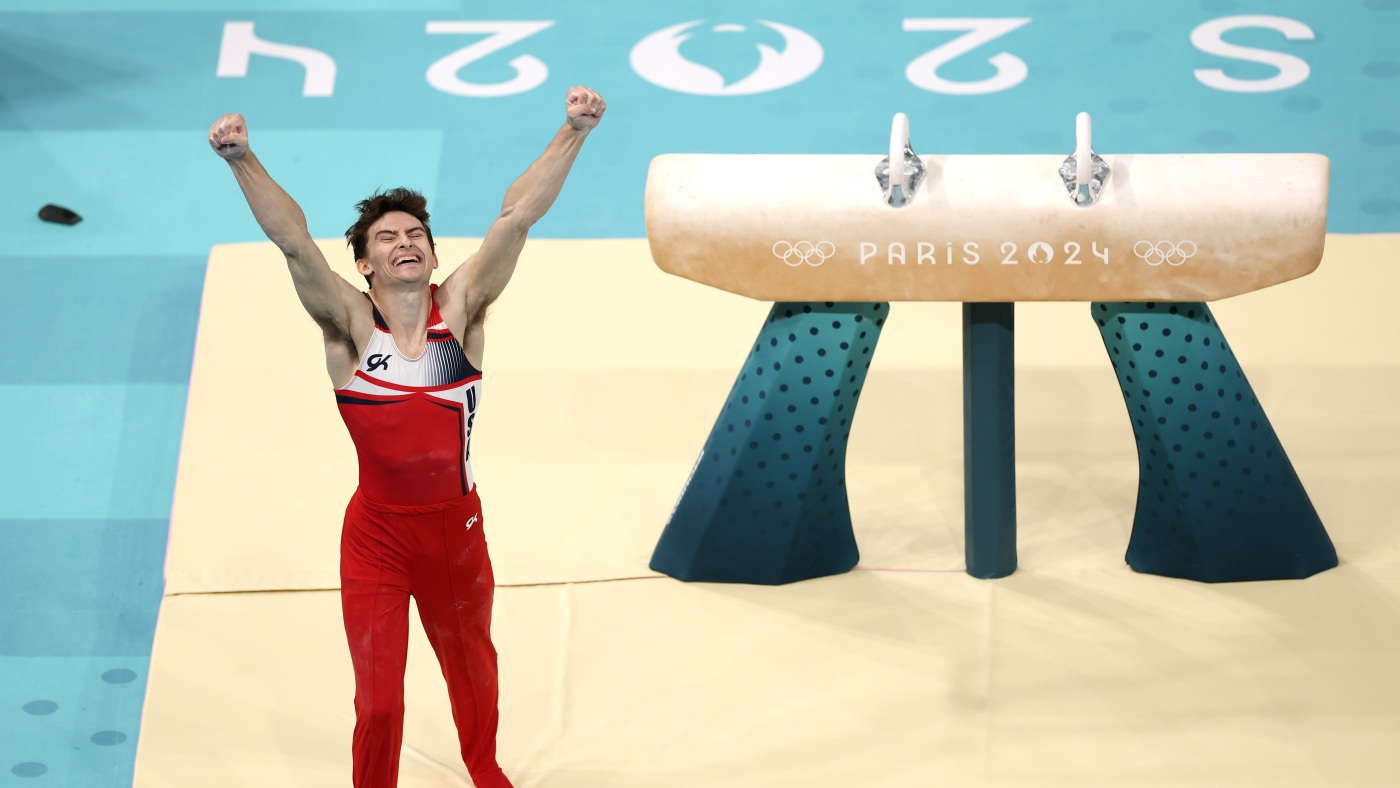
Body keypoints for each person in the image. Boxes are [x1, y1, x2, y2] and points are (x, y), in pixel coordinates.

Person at [208, 85, 607, 788]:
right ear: (364, 263)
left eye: (416, 233)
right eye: (387, 237)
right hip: (378, 538)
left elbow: (516, 217)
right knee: (380, 701)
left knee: (473, 674)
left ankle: (485, 771)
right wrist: (243, 158)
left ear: (430, 253)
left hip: (456, 534)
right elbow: (293, 242)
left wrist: (573, 130)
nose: (405, 242)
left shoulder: (462, 313)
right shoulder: (353, 331)